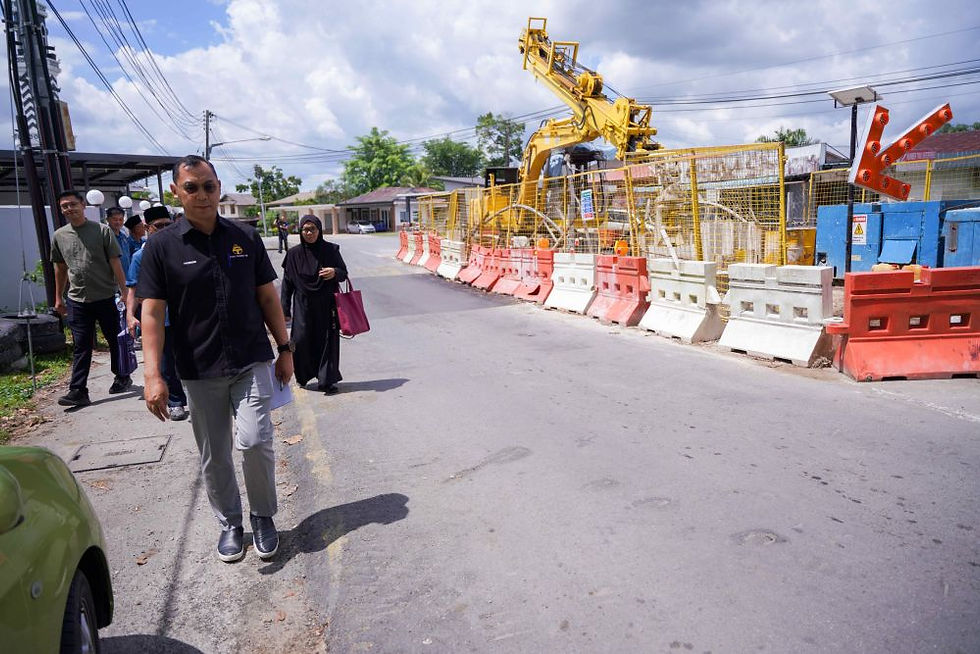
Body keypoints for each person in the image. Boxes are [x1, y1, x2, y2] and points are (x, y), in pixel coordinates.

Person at [136, 155, 293, 563]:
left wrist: (285, 348)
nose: (202, 194)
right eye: (192, 187)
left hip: (250, 359)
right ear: (177, 192)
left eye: (209, 186)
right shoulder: (161, 247)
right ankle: (230, 522)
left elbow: (267, 297)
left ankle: (262, 516)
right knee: (214, 454)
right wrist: (152, 375)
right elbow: (151, 313)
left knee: (255, 441)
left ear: (219, 188)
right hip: (198, 368)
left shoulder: (244, 236)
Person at [51, 190, 133, 407]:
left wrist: (125, 292)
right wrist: (58, 297)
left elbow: (115, 262)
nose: (69, 209)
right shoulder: (59, 235)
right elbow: (60, 268)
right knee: (81, 345)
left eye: (73, 204)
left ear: (83, 205)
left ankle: (122, 376)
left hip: (105, 296)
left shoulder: (102, 231)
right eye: (64, 206)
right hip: (77, 300)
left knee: (114, 339)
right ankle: (78, 390)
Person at [125, 206, 188, 421]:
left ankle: (197, 397)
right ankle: (176, 402)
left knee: (187, 360)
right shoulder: (140, 257)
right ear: (147, 227)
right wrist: (130, 315)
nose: (163, 229)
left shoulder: (183, 249)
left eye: (167, 225)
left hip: (187, 316)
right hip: (160, 320)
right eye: (158, 226)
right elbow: (132, 289)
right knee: (166, 364)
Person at [281, 215, 348, 394]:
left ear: (319, 230)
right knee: (300, 340)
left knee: (326, 341)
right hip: (302, 305)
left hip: (327, 305)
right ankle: (302, 376)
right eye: (305, 229)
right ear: (300, 231)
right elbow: (287, 284)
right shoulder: (293, 254)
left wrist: (334, 272)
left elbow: (343, 273)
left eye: (313, 229)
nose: (309, 233)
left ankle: (327, 381)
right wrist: (284, 309)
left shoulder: (330, 250)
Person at [106, 207, 134, 277]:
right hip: (113, 278)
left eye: (121, 219)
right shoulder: (105, 237)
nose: (118, 222)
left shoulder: (124, 237)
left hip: (126, 277)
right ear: (108, 220)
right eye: (115, 219)